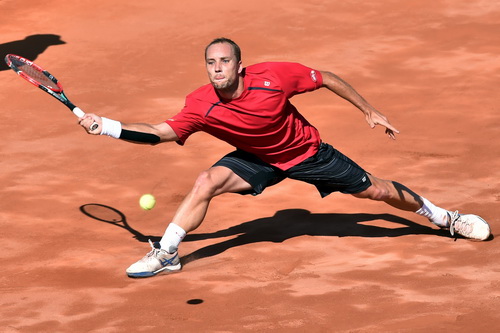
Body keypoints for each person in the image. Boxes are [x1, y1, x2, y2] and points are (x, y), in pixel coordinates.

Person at [79, 37, 491, 278]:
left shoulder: (274, 76)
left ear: (240, 66)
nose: (217, 68)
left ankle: (445, 218)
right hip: (258, 158)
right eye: (211, 63)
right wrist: (109, 126)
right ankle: (168, 253)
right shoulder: (200, 104)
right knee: (207, 180)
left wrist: (367, 109)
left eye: (224, 61)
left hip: (307, 153)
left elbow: (325, 77)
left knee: (378, 192)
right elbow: (158, 134)